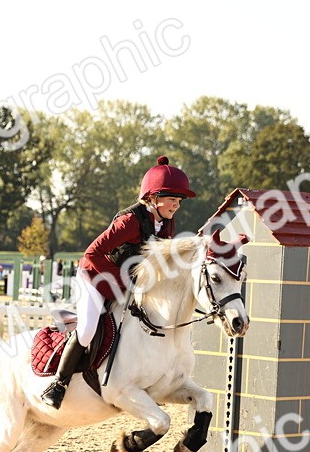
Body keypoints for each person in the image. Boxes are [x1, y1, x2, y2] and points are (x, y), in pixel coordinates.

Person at [40, 156, 195, 409]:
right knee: (89, 328)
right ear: (154, 198)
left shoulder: (166, 223)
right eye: (173, 200)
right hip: (95, 276)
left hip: (127, 283)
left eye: (179, 201)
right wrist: (124, 281)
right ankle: (59, 383)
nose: (177, 206)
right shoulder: (130, 221)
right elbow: (92, 254)